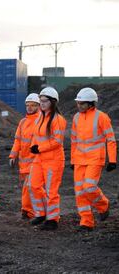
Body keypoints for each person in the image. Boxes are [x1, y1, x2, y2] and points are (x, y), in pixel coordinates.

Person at [71, 87, 117, 231]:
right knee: (79, 192)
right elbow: (73, 140)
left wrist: (113, 160)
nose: (79, 106)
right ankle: (86, 222)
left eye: (82, 103)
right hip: (79, 160)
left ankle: (103, 205)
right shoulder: (76, 118)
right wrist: (73, 160)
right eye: (78, 103)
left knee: (89, 187)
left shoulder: (101, 117)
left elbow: (111, 139)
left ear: (91, 103)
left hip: (95, 159)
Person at [28, 87, 67, 231]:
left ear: (53, 102)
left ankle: (52, 219)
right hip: (39, 159)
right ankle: (41, 213)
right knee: (33, 185)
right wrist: (34, 147)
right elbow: (36, 136)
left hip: (53, 160)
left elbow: (57, 141)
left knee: (51, 191)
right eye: (41, 101)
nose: (42, 104)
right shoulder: (40, 117)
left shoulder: (58, 120)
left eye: (45, 101)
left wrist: (40, 148)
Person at [9, 93, 41, 220]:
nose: (29, 108)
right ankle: (27, 210)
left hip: (36, 161)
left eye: (33, 105)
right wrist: (13, 155)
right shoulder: (23, 122)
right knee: (26, 188)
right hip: (24, 162)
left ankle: (32, 211)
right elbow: (17, 140)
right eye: (28, 105)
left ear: (39, 106)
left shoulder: (40, 121)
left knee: (31, 187)